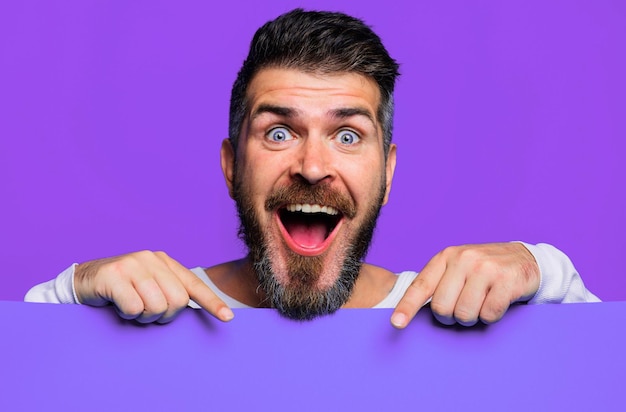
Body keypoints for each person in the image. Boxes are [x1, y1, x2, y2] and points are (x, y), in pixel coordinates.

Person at [24, 9, 599, 328]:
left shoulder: (453, 309)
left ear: (389, 172)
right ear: (231, 166)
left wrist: (539, 266)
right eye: (279, 132)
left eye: (348, 135)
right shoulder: (158, 305)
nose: (313, 165)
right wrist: (77, 285)